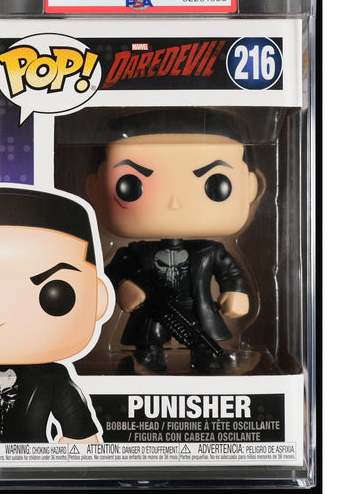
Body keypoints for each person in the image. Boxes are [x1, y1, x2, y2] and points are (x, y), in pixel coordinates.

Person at [86, 109, 260, 372]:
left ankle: (207, 362)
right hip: (152, 311)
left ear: (250, 187)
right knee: (148, 344)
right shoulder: (135, 253)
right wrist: (122, 287)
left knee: (204, 345)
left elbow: (230, 272)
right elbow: (111, 273)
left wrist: (235, 291)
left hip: (197, 311)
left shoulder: (210, 251)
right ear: (95, 189)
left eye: (216, 183)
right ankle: (147, 362)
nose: (174, 203)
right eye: (130, 184)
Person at [0, 187, 112, 443]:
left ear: (98, 298)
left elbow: (81, 438)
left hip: (30, 466)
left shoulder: (52, 378)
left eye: (54, 294)